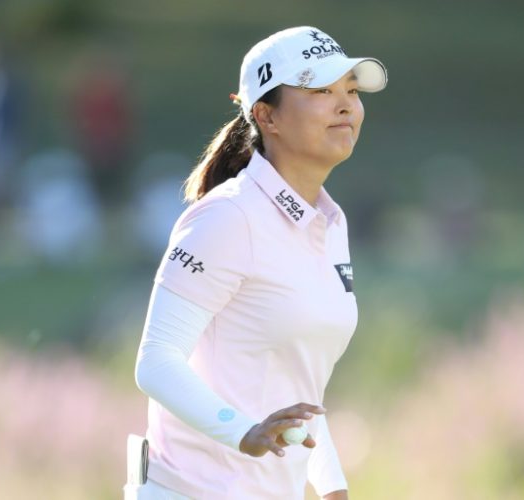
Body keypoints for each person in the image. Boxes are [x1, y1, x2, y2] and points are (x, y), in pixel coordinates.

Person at [133, 26, 387, 499]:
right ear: (266, 116)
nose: (346, 104)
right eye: (320, 90)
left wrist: (331, 485)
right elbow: (156, 363)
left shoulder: (332, 224)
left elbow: (299, 382)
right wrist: (243, 431)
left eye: (351, 91)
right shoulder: (227, 216)